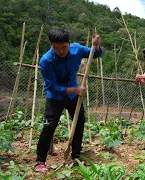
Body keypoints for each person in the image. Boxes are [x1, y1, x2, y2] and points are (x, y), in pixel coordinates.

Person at [35, 28, 103, 172]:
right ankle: (40, 161)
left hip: (73, 97)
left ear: (69, 43)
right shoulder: (46, 61)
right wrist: (75, 90)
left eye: (64, 47)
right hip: (56, 97)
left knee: (79, 122)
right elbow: (52, 87)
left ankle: (76, 156)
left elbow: (96, 53)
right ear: (51, 45)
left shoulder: (77, 49)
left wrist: (96, 45)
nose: (60, 51)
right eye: (56, 48)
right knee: (49, 127)